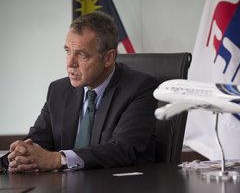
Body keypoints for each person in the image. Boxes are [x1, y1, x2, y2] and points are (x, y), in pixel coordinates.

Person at [0, 11, 158, 172]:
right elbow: (40, 139)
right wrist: (17, 156)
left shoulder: (140, 88)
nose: (70, 63)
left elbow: (122, 149)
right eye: (68, 51)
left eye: (81, 55)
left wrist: (58, 159)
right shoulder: (58, 90)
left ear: (109, 58)